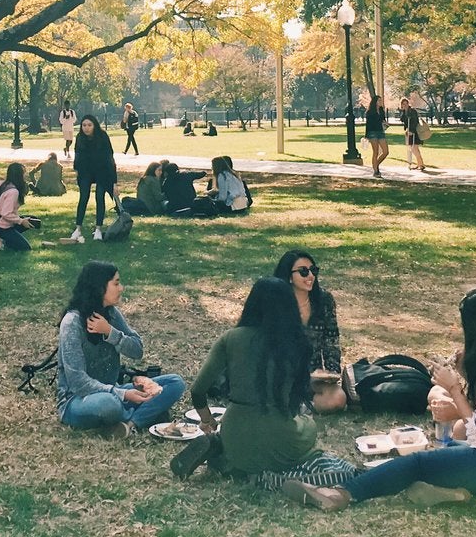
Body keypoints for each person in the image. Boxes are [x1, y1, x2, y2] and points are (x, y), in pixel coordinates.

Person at [281, 284, 476, 512]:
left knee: (421, 462)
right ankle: (453, 493)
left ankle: (341, 495)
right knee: (448, 451)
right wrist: (467, 373)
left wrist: (455, 388)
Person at [172, 277, 357, 489]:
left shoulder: (231, 338)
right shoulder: (297, 342)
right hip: (281, 434)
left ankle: (222, 451)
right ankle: (267, 474)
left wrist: (207, 422)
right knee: (308, 425)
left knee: (241, 442)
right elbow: (296, 399)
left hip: (235, 431)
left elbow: (197, 391)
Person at [56, 261, 185, 435]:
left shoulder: (111, 314)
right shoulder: (72, 323)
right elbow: (78, 382)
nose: (121, 288)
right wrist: (123, 395)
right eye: (116, 283)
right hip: (78, 401)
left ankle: (129, 425)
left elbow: (137, 350)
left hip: (113, 390)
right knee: (109, 404)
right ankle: (150, 413)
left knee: (175, 383)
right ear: (99, 287)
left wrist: (110, 332)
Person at [274, 250, 345, 412]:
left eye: (314, 270)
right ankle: (298, 406)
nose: (310, 276)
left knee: (338, 399)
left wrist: (331, 373)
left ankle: (297, 407)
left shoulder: (324, 300)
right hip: (279, 372)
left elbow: (331, 341)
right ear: (289, 276)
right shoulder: (276, 300)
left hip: (312, 375)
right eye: (303, 272)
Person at [71, 115, 118, 243]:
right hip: (86, 171)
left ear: (94, 126)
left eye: (89, 125)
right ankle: (78, 228)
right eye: (84, 125)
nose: (86, 128)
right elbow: (78, 156)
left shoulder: (102, 137)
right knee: (84, 197)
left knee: (99, 197)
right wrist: (77, 171)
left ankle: (98, 229)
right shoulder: (80, 138)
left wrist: (114, 182)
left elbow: (110, 158)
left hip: (102, 171)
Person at [0, 162, 36, 251]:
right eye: (24, 174)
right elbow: (6, 213)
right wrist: (21, 221)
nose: (25, 176)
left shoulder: (4, 184)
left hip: (1, 223)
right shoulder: (13, 192)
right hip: (2, 227)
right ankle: (2, 238)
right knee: (26, 248)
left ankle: (7, 240)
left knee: (32, 219)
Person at [363, 95, 389, 178]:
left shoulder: (381, 111)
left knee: (385, 152)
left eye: (381, 101)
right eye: (379, 101)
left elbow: (383, 120)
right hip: (372, 133)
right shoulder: (370, 112)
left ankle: (376, 164)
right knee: (376, 152)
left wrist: (385, 124)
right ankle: (376, 171)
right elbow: (368, 125)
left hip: (380, 132)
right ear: (375, 102)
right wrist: (366, 135)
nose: (380, 102)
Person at [402, 95, 426, 172]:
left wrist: (411, 130)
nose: (405, 105)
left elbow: (415, 121)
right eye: (403, 104)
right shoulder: (404, 112)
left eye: (406, 104)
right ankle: (420, 164)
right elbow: (403, 120)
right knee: (413, 149)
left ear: (408, 104)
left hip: (414, 132)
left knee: (414, 148)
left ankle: (421, 164)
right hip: (408, 132)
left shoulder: (412, 111)